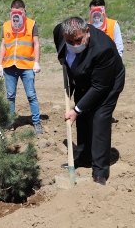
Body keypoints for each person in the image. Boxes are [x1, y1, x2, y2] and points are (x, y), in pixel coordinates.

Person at [53, 17, 125, 185]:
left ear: (87, 32)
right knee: (83, 117)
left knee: (99, 119)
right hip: (83, 79)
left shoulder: (103, 49)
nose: (74, 45)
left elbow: (99, 87)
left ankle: (100, 171)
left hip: (108, 83)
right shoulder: (60, 31)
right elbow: (60, 44)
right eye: (70, 41)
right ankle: (85, 157)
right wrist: (62, 58)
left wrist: (76, 110)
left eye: (78, 40)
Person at [0, 0, 42, 134]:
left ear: (24, 11)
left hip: (27, 66)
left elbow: (36, 44)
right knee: (10, 96)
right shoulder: (6, 25)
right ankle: (10, 123)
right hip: (10, 66)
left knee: (31, 95)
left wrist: (36, 61)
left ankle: (37, 122)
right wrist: (0, 63)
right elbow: (3, 45)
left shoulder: (31, 24)